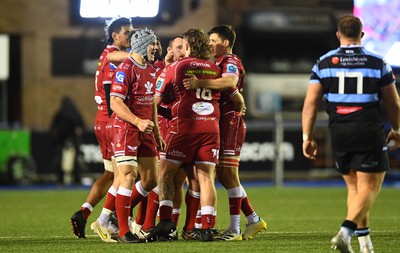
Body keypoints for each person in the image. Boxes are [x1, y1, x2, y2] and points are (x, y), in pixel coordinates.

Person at [301, 15, 400, 253]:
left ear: (338, 34)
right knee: (371, 186)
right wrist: (397, 130)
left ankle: (365, 244)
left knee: (354, 188)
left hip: (339, 130)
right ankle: (345, 231)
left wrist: (307, 136)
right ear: (362, 35)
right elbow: (393, 102)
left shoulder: (323, 63)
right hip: (367, 128)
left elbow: (310, 103)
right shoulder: (377, 62)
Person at [183, 24, 267, 241]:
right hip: (219, 123)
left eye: (213, 40)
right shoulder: (217, 63)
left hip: (230, 123)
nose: (210, 44)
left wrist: (199, 83)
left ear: (226, 43)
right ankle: (253, 220)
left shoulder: (231, 62)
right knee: (221, 174)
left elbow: (230, 82)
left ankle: (235, 229)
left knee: (227, 175)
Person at [148, 28, 221, 242]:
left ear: (187, 46)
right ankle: (207, 226)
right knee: (206, 177)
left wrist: (158, 125)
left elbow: (155, 100)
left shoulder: (177, 66)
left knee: (165, 173)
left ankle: (166, 223)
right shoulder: (214, 69)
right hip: (211, 129)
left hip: (185, 128)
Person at [70, 17, 133, 240]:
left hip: (103, 119)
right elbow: (114, 96)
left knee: (110, 174)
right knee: (125, 174)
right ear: (114, 36)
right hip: (112, 120)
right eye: (127, 32)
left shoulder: (108, 55)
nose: (131, 35)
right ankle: (109, 221)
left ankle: (84, 212)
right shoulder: (113, 57)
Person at [110, 27, 166, 243]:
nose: (156, 47)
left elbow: (151, 102)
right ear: (142, 45)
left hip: (146, 130)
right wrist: (137, 121)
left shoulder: (151, 69)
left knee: (152, 179)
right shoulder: (125, 69)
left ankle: (119, 211)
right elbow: (115, 102)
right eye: (153, 44)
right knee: (129, 176)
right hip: (126, 129)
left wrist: (158, 132)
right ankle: (124, 231)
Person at [50, 96, 85, 186]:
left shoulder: (60, 114)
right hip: (71, 139)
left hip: (62, 140)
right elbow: (81, 126)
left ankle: (61, 179)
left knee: (61, 159)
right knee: (76, 159)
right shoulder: (75, 113)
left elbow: (54, 128)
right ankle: (76, 178)